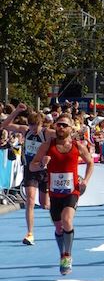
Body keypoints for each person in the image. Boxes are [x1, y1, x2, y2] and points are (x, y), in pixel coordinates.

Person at [30, 114, 93, 275]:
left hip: (72, 191)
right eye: (59, 125)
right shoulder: (46, 145)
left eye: (65, 125)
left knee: (67, 220)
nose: (61, 128)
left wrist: (85, 180)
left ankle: (68, 255)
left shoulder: (77, 146)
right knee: (58, 227)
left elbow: (90, 162)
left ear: (71, 129)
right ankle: (61, 254)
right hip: (54, 193)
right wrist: (42, 164)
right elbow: (32, 166)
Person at [1, 103, 56, 245]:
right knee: (30, 200)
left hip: (44, 170)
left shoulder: (47, 133)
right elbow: (5, 125)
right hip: (30, 169)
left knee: (45, 204)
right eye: (31, 125)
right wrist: (16, 111)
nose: (33, 128)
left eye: (35, 125)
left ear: (41, 124)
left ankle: (56, 216)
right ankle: (30, 233)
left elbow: (66, 135)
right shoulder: (26, 131)